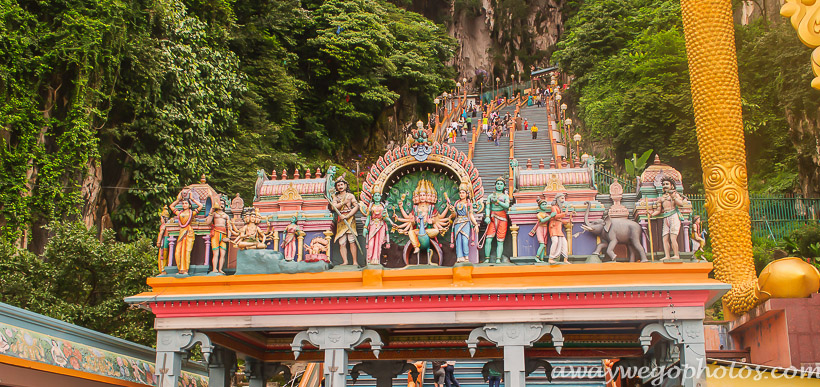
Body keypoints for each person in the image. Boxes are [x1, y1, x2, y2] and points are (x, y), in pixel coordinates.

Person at [652, 176, 689, 260]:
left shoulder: (675, 195)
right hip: (666, 217)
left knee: (673, 238)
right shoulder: (661, 198)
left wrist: (673, 197)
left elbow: (681, 204)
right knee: (665, 238)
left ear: (672, 186)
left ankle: (676, 255)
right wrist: (650, 214)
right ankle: (667, 255)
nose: (665, 186)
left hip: (674, 216)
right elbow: (658, 210)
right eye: (663, 184)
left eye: (667, 184)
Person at [169, 191, 202, 275]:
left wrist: (192, 199)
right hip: (181, 232)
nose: (184, 205)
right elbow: (171, 206)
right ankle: (180, 269)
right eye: (183, 203)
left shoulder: (191, 213)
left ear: (189, 205)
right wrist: (178, 200)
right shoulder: (179, 213)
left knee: (186, 251)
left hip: (189, 232)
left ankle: (185, 270)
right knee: (177, 252)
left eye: (186, 203)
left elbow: (200, 206)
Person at [331, 175, 360, 265]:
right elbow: (333, 207)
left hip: (350, 219)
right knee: (342, 242)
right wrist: (343, 203)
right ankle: (345, 261)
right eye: (338, 185)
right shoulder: (336, 197)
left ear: (345, 185)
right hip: (340, 220)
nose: (340, 186)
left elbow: (356, 206)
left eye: (341, 184)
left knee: (352, 240)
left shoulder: (350, 196)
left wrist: (348, 215)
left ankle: (355, 261)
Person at [484, 177, 510, 263]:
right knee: (488, 239)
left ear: (504, 186)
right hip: (492, 218)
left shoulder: (505, 196)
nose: (499, 186)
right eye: (498, 184)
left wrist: (498, 202)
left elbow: (507, 206)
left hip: (502, 219)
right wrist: (487, 216)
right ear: (495, 185)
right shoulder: (491, 196)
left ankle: (498, 259)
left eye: (501, 184)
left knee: (500, 240)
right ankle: (487, 258)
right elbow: (487, 207)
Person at [450, 183, 478, 263]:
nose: (461, 194)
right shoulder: (457, 204)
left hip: (466, 223)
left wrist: (475, 224)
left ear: (466, 194)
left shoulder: (468, 204)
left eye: (463, 193)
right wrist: (452, 211)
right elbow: (454, 215)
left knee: (465, 241)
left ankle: (466, 256)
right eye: (460, 193)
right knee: (458, 241)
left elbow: (471, 215)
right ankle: (459, 257)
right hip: (457, 223)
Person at [205, 202, 231, 273]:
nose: (221, 205)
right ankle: (214, 269)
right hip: (215, 233)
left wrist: (228, 237)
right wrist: (211, 211)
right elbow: (208, 222)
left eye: (223, 203)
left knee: (222, 253)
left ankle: (220, 269)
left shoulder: (226, 216)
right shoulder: (214, 214)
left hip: (224, 234)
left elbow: (229, 227)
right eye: (220, 203)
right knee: (215, 253)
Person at [548, 193, 570, 263]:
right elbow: (555, 216)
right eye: (562, 198)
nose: (563, 200)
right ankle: (551, 258)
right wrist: (564, 214)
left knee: (564, 242)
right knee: (555, 241)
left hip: (559, 228)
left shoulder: (560, 209)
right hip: (553, 227)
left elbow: (559, 219)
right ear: (557, 199)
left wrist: (565, 222)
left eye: (564, 198)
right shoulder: (553, 207)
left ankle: (565, 259)